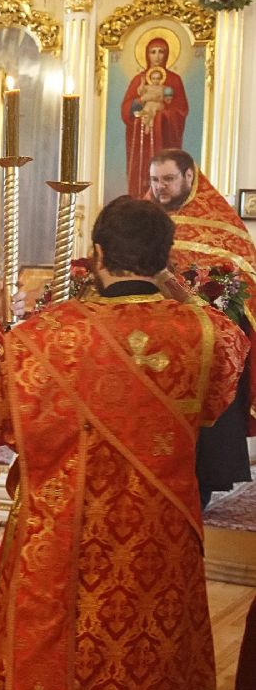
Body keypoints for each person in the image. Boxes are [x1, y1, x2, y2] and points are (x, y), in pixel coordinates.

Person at [0, 197, 245, 690]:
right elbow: (216, 401)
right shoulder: (206, 335)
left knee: (56, 646)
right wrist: (178, 296)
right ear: (165, 259)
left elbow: (7, 426)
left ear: (98, 254)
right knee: (158, 646)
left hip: (63, 530)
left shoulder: (40, 337)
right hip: (160, 529)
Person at [148, 148, 256, 505]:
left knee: (203, 435)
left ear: (189, 177)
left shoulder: (223, 225)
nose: (160, 187)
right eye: (154, 180)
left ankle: (202, 489)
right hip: (151, 343)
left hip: (203, 347)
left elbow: (243, 288)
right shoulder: (142, 219)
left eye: (168, 179)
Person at [122, 38, 188, 199]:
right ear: (147, 55)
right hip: (141, 138)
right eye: (153, 52)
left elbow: (180, 110)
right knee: (141, 173)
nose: (157, 56)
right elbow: (126, 110)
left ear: (167, 54)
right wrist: (140, 102)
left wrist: (161, 116)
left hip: (165, 137)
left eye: (161, 52)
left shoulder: (174, 80)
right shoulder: (139, 80)